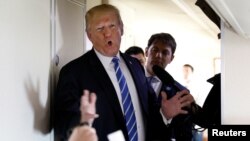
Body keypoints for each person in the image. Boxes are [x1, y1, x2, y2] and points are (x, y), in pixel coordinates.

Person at [54, 4, 194, 141]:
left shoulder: (136, 66)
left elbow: (150, 112)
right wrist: (83, 123)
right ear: (90, 35)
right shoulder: (73, 72)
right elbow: (62, 126)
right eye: (100, 28)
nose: (107, 33)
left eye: (112, 26)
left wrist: (164, 113)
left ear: (121, 28)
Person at [144, 32, 197, 141]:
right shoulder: (130, 78)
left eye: (165, 52)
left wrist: (166, 117)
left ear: (171, 58)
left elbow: (184, 135)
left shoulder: (179, 92)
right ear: (146, 51)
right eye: (155, 50)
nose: (159, 56)